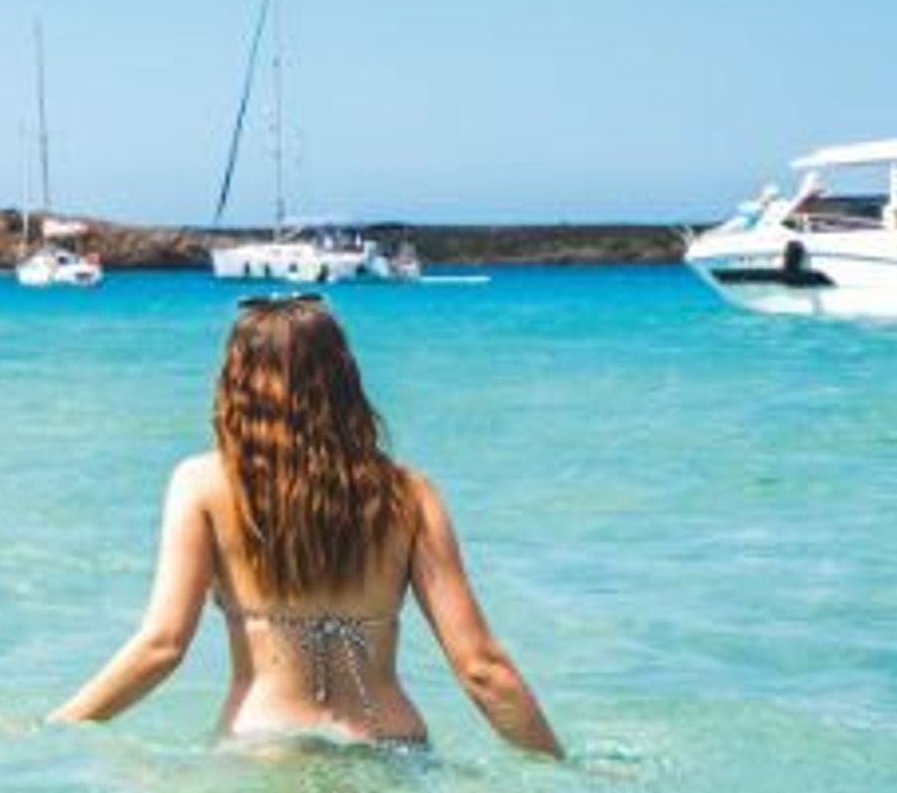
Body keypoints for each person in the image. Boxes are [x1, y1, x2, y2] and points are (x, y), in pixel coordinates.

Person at [50, 295, 562, 756]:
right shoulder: (411, 495)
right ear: (346, 382)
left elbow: (161, 646)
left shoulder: (201, 484)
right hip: (391, 748)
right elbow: (481, 667)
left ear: (235, 382)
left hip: (267, 748)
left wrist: (57, 727)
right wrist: (561, 769)